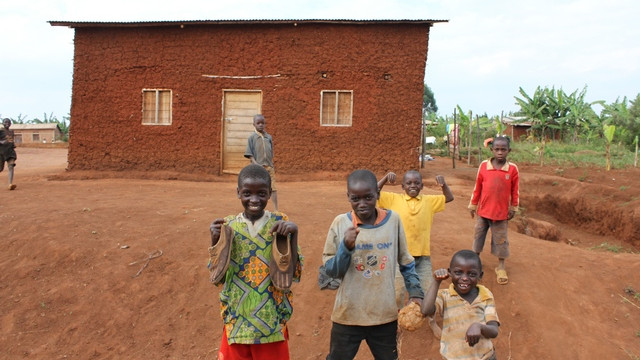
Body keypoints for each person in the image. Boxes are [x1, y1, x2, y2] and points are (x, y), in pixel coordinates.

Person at [322, 169, 423, 360]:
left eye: (368, 197)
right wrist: (345, 247)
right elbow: (331, 271)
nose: (362, 204)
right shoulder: (340, 224)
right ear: (348, 197)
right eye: (355, 199)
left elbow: (406, 262)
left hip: (384, 315)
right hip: (347, 315)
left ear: (377, 194)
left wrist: (416, 292)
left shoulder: (393, 221)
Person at [208, 164, 303, 360]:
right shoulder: (228, 227)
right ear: (238, 193)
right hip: (237, 321)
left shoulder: (280, 224)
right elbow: (217, 277)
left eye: (261, 193)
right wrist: (214, 240)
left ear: (269, 194)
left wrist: (294, 235)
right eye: (247, 193)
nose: (254, 200)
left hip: (272, 321)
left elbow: (292, 273)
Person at [377, 169, 454, 337]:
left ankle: (432, 322)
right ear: (403, 186)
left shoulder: (429, 201)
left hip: (422, 258)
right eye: (409, 183)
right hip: (399, 258)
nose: (413, 185)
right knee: (397, 293)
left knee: (429, 294)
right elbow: (373, 193)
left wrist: (443, 184)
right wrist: (384, 179)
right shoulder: (393, 199)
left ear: (422, 186)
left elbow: (449, 198)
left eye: (417, 183)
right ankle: (394, 324)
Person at [421, 250, 500, 360]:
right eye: (458, 272)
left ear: (480, 275)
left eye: (471, 274)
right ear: (450, 272)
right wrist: (436, 281)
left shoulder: (485, 296)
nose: (464, 278)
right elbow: (426, 310)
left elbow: (494, 331)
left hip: (485, 357)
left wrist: (479, 327)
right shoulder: (444, 296)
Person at [468, 136, 519, 285]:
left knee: (501, 240)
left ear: (509, 150)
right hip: (483, 211)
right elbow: (477, 187)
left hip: (501, 213)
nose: (500, 152)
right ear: (492, 150)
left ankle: (501, 267)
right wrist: (473, 205)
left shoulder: (512, 169)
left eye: (503, 149)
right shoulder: (484, 166)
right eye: (497, 149)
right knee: (478, 236)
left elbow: (515, 190)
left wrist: (513, 207)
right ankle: (475, 262)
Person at [244, 114, 278, 211]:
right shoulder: (252, 138)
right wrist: (257, 165)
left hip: (269, 167)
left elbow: (271, 152)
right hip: (257, 169)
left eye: (262, 123)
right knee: (256, 188)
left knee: (273, 188)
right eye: (258, 123)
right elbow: (250, 155)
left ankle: (276, 210)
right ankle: (254, 208)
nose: (260, 125)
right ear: (254, 124)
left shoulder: (269, 137)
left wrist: (271, 164)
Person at [0, 118, 17, 190]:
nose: (7, 123)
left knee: (11, 166)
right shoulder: (1, 131)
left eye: (8, 122)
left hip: (10, 152)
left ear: (10, 124)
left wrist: (13, 144)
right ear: (3, 123)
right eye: (5, 122)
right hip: (1, 152)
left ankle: (10, 184)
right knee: (0, 168)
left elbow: (11, 140)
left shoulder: (11, 132)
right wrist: (1, 142)